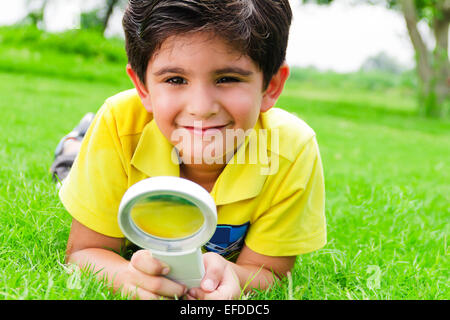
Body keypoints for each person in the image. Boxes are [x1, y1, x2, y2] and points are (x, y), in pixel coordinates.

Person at [57, 0, 327, 300]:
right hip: (115, 144)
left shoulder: (292, 150)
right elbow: (84, 252)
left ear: (271, 86)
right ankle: (74, 144)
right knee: (69, 168)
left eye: (227, 79)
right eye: (175, 79)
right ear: (143, 87)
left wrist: (234, 276)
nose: (201, 108)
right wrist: (124, 277)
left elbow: (271, 272)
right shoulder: (119, 123)